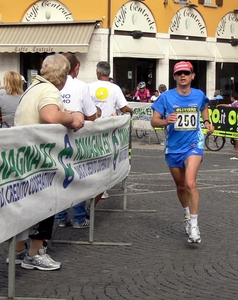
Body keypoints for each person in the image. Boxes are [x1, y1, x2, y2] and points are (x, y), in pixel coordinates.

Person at [13, 53, 85, 271]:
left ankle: (17, 251)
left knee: (25, 206)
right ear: (63, 76)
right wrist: (72, 119)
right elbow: (50, 116)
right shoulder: (49, 90)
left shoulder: (34, 87)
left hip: (24, 156)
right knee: (47, 203)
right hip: (39, 159)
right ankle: (35, 253)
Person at [150, 61, 214, 244]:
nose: (183, 76)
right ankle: (187, 215)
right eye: (179, 74)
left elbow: (204, 107)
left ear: (193, 75)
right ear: (174, 77)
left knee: (190, 183)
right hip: (173, 148)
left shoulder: (199, 95)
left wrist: (207, 122)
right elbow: (154, 121)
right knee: (180, 186)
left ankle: (194, 225)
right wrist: (165, 121)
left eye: (186, 73)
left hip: (194, 144)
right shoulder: (166, 98)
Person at [55, 52, 99, 230]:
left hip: (54, 139)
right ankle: (79, 218)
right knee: (80, 177)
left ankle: (60, 216)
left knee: (59, 178)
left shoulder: (50, 85)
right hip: (78, 139)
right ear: (77, 67)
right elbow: (91, 115)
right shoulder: (81, 86)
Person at [88, 61, 133, 204]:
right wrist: (131, 111)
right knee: (106, 162)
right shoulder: (115, 88)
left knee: (90, 161)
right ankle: (101, 189)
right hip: (109, 131)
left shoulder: (88, 87)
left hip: (92, 129)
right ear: (109, 73)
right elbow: (124, 108)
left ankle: (89, 189)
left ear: (98, 72)